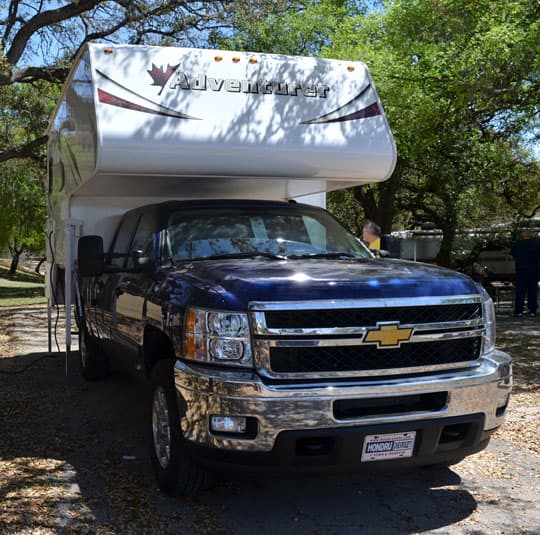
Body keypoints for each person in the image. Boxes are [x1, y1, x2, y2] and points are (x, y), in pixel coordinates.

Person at [510, 230, 540, 317]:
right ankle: (532, 310)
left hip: (521, 270)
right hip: (533, 270)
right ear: (531, 236)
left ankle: (519, 311)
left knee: (520, 291)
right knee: (532, 291)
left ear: (522, 236)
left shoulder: (518, 244)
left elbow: (512, 255)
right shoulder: (537, 244)